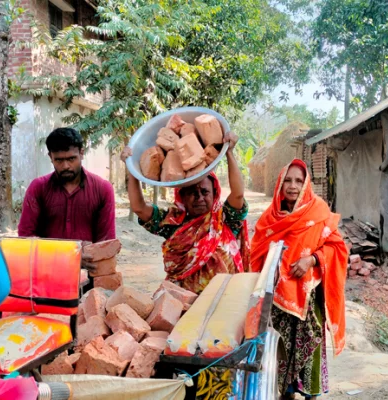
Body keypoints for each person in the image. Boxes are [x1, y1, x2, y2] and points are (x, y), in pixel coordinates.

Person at [249, 159, 349, 399]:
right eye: (288, 180)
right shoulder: (269, 220)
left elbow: (338, 248)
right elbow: (256, 256)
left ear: (306, 184)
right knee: (280, 357)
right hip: (277, 302)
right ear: (280, 184)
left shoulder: (318, 212)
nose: (293, 186)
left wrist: (312, 260)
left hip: (308, 300)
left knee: (310, 356)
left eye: (298, 180)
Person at [120, 131, 249, 294]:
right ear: (181, 196)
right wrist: (132, 169)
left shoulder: (225, 218)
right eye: (192, 192)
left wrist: (229, 152)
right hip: (185, 308)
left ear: (214, 192)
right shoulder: (173, 223)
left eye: (205, 191)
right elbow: (139, 208)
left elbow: (238, 194)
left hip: (225, 303)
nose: (199, 197)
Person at [18, 127, 116, 243]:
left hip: (89, 260)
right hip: (47, 260)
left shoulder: (102, 189)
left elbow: (106, 241)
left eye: (71, 159)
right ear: (50, 157)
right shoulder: (38, 188)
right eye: (59, 160)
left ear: (81, 153)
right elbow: (26, 236)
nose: (65, 166)